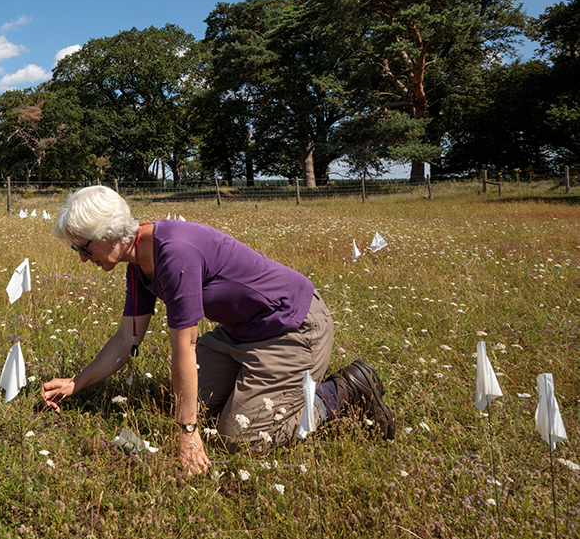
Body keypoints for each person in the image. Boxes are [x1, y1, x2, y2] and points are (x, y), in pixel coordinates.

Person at [39, 185, 394, 475]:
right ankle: (253, 387)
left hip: (292, 327)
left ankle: (343, 392)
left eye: (81, 248)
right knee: (181, 400)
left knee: (240, 440)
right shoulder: (137, 264)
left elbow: (185, 346)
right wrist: (77, 383)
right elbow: (126, 339)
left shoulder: (173, 252)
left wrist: (187, 433)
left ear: (108, 234)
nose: (81, 258)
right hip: (241, 333)